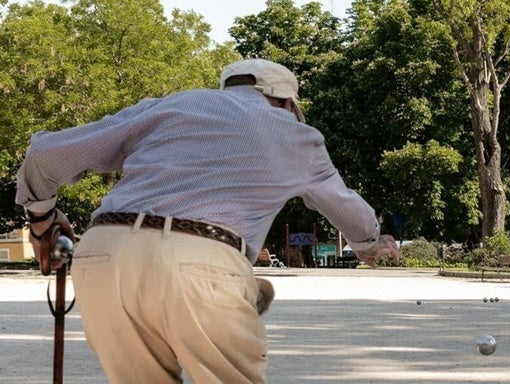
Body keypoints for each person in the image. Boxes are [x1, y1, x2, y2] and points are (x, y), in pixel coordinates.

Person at [15, 58, 400, 383]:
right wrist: (369, 242)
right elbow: (343, 203)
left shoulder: (172, 106)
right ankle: (237, 293)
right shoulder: (297, 134)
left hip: (103, 256)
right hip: (201, 262)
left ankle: (236, 292)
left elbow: (46, 154)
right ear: (284, 101)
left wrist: (42, 222)